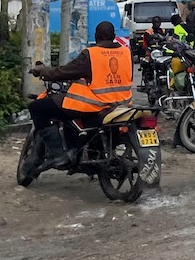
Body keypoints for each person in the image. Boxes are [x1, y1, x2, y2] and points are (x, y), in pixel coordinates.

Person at [29, 20, 134, 168]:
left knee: (36, 107)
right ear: (114, 36)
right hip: (122, 104)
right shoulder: (126, 53)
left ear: (96, 36)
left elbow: (64, 72)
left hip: (96, 105)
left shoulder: (91, 54)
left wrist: (43, 72)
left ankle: (58, 154)